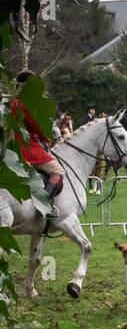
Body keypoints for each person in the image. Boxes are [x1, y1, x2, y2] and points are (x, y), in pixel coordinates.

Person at [8, 71, 65, 219]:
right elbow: (36, 126)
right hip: (26, 149)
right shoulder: (24, 103)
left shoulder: (8, 103)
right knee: (58, 171)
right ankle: (44, 206)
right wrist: (45, 137)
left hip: (8, 149)